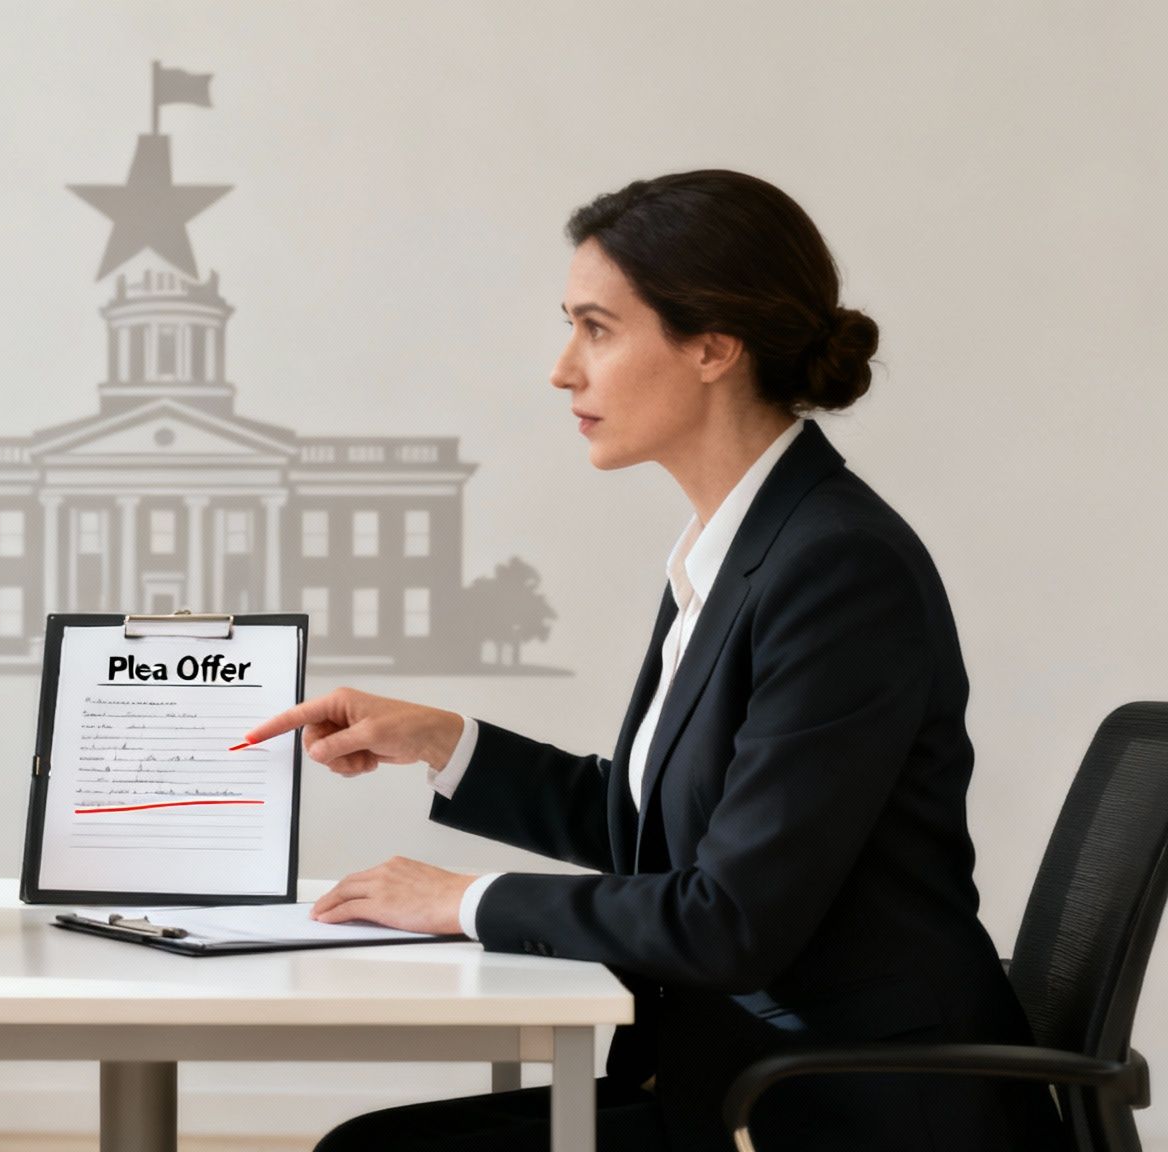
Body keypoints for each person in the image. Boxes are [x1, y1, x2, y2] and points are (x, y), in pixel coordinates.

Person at [241, 170, 1063, 1151]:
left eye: (596, 327)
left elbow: (727, 917)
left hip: (848, 1106)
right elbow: (664, 840)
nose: (561, 369)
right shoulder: (739, 548)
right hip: (744, 1071)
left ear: (712, 345)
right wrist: (446, 743)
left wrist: (460, 900)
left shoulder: (833, 567)